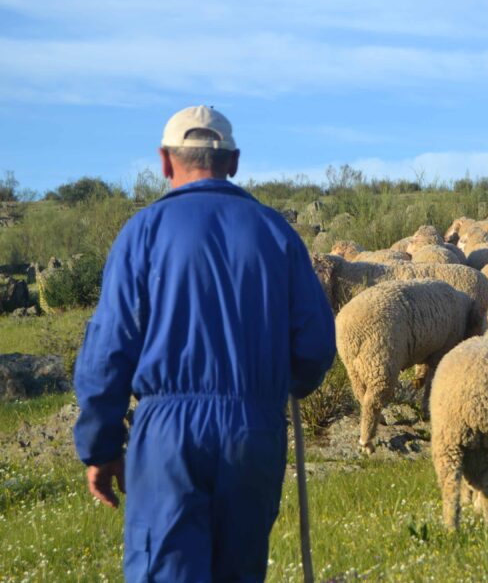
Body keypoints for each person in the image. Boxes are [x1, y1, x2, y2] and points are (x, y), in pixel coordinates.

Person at [73, 105, 336, 582]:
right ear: (233, 162)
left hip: (169, 438)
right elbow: (316, 345)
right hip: (253, 432)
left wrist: (100, 445)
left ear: (165, 162)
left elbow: (108, 347)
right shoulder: (277, 233)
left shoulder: (143, 233)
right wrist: (276, 386)